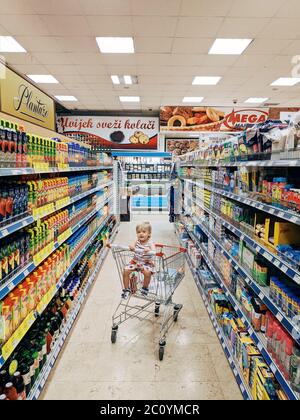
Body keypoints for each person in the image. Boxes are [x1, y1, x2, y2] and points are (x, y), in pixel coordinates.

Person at [122, 221, 156, 299]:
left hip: (146, 262)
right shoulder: (137, 241)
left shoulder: (150, 243)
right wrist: (131, 247)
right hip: (136, 261)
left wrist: (149, 250)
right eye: (138, 232)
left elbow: (154, 251)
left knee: (147, 273)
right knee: (125, 271)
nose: (141, 234)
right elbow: (131, 246)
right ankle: (126, 289)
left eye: (144, 232)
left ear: (149, 234)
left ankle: (145, 288)